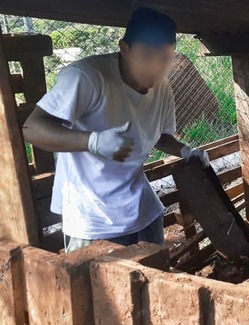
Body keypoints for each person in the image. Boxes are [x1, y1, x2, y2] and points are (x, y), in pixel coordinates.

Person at [23, 7, 208, 252]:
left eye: (166, 58)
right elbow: (31, 128)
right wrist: (93, 141)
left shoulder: (162, 87)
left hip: (142, 209)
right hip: (94, 218)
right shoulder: (87, 77)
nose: (156, 67)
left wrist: (186, 151)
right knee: (98, 289)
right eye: (146, 56)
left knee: (153, 281)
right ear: (124, 48)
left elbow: (159, 136)